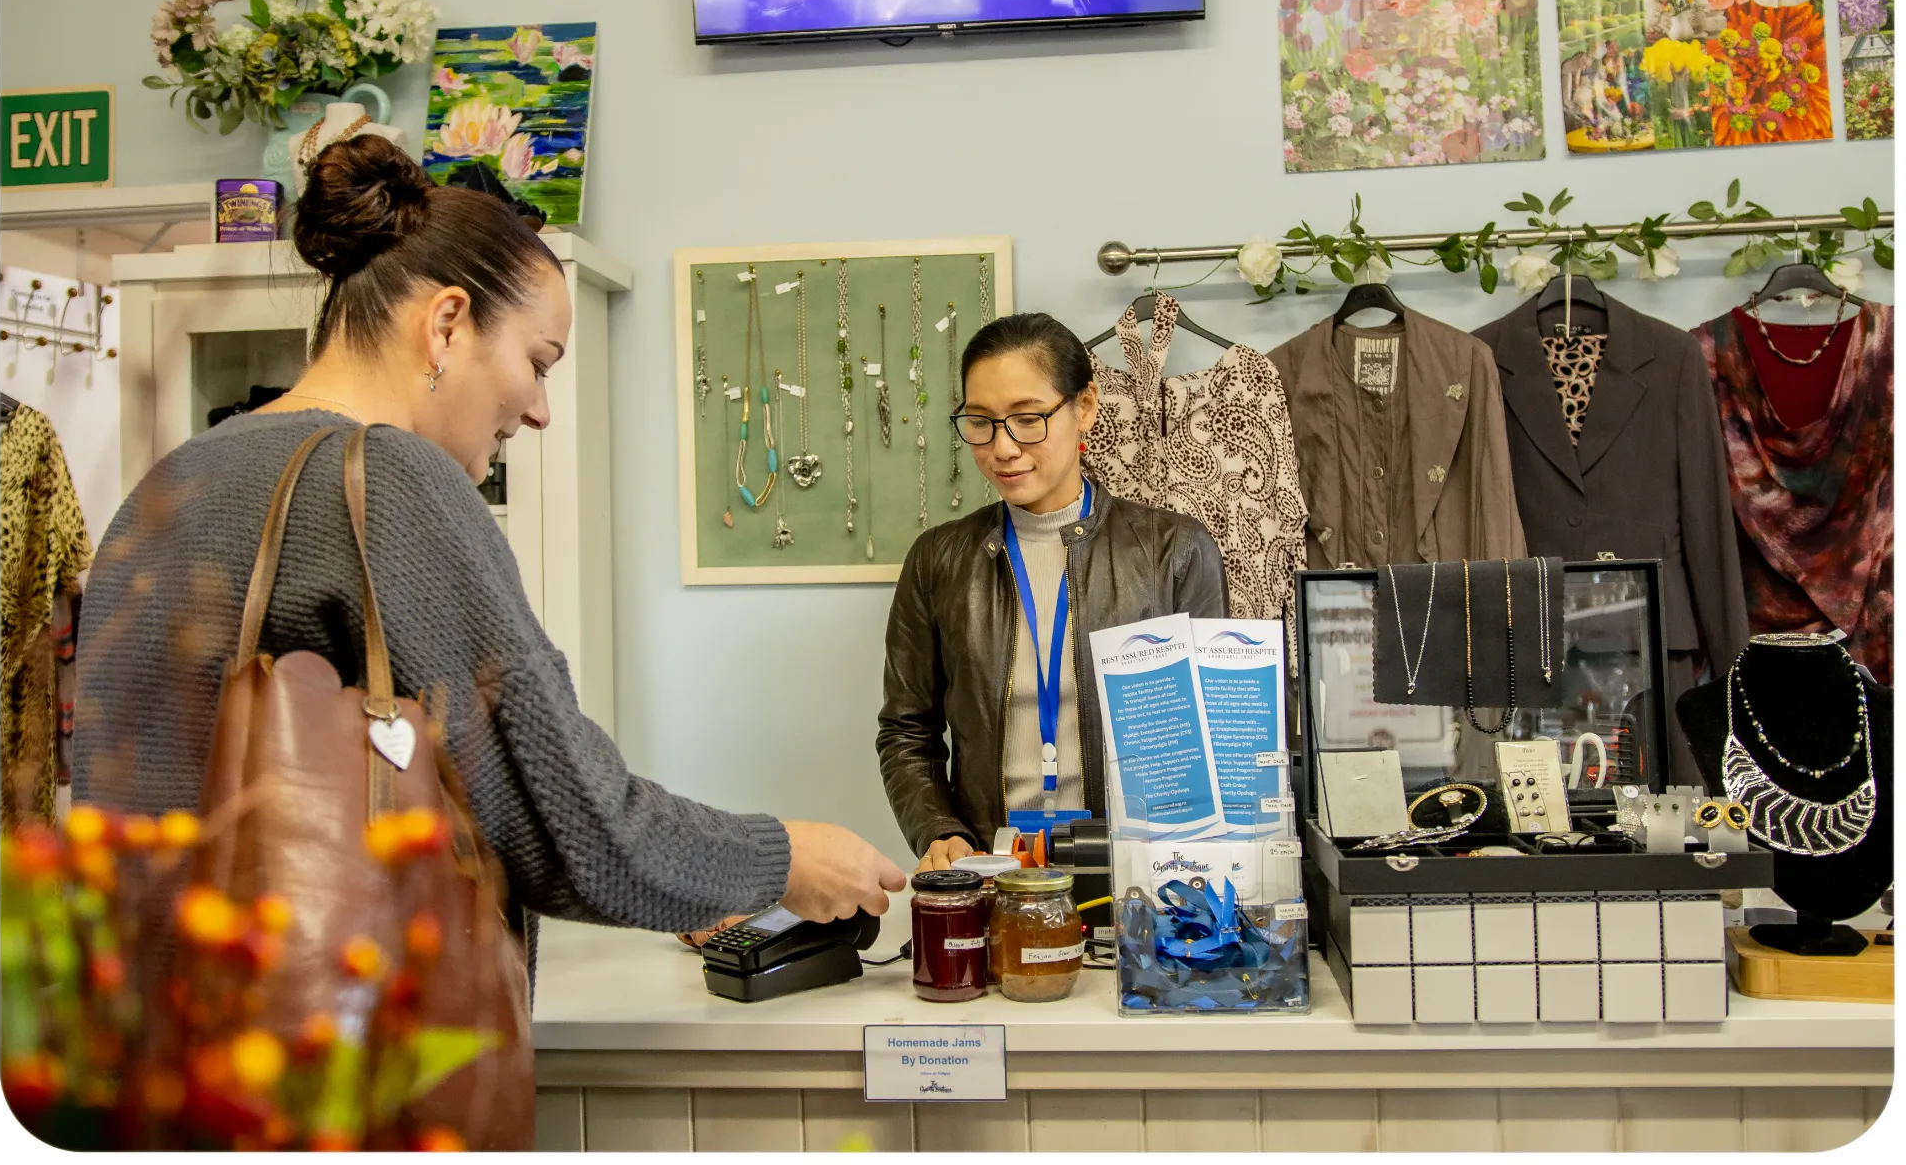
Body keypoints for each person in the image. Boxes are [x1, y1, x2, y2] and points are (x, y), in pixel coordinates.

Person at [72, 136, 904, 964]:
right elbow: (579, 829)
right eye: (538, 364)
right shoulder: (389, 479)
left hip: (145, 1037)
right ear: (447, 323)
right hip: (320, 1057)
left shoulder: (169, 485)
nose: (540, 410)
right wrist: (784, 857)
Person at [878, 313, 1228, 873]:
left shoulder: (1174, 551)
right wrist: (938, 829)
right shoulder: (939, 559)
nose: (1003, 448)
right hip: (995, 875)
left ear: (1084, 406)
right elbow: (905, 728)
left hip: (1139, 874)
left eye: (1027, 419)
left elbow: (1216, 731)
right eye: (981, 422)